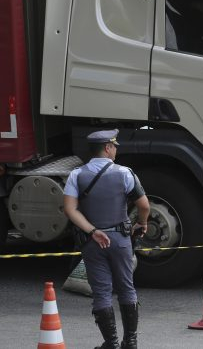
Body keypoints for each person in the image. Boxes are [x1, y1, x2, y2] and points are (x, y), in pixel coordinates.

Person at [63, 129, 150, 348]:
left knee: (101, 292)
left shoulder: (76, 174)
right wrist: (142, 222)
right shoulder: (124, 173)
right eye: (115, 146)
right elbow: (144, 205)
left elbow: (70, 210)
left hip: (93, 242)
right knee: (126, 288)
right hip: (120, 239)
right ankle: (130, 342)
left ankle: (110, 343)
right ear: (108, 148)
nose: (116, 150)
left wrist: (92, 231)